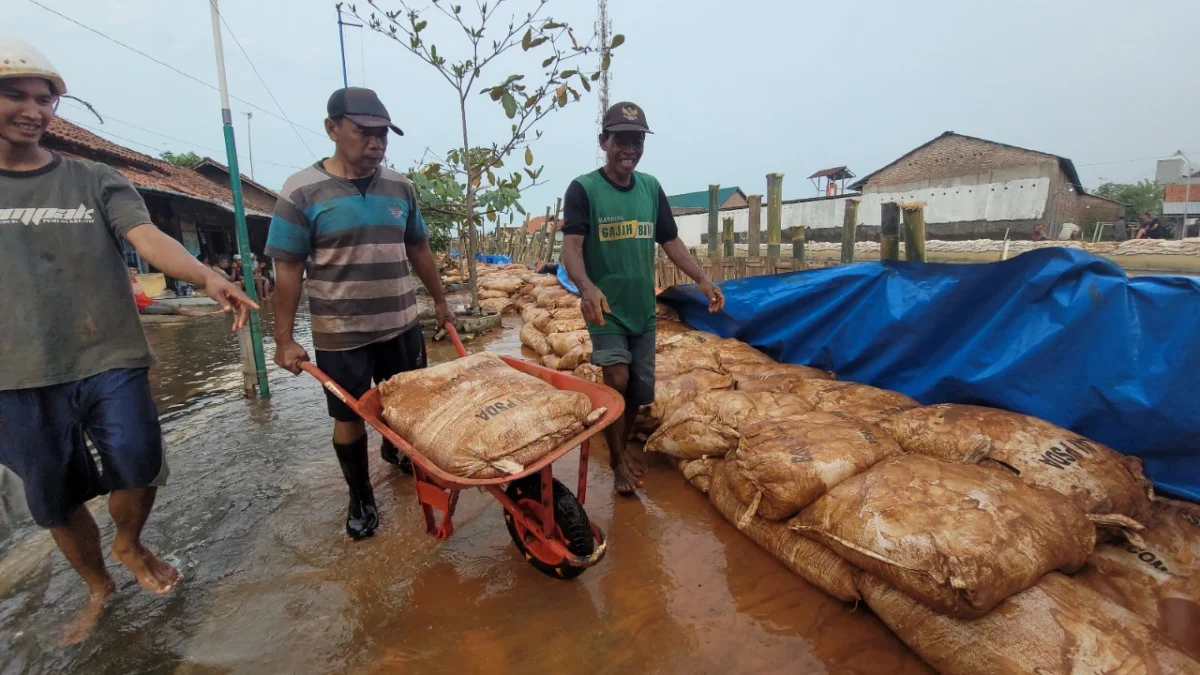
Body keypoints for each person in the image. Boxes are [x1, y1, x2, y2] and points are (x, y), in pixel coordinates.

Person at [0, 38, 257, 645]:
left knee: (139, 463)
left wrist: (207, 276)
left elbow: (146, 238)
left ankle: (129, 543)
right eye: (16, 95)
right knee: (54, 495)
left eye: (46, 98)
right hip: (15, 371)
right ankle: (97, 585)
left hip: (108, 353)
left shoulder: (93, 179)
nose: (34, 109)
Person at [266, 87, 452, 540]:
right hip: (341, 332)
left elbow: (418, 247)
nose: (376, 143)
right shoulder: (300, 192)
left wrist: (441, 300)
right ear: (332, 129)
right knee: (348, 417)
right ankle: (360, 496)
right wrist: (284, 340)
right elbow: (288, 271)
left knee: (408, 405)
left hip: (401, 323)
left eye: (383, 134)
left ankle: (397, 452)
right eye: (364, 132)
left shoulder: (400, 186)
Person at [560, 101, 724, 495]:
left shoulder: (650, 188)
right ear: (604, 141)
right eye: (622, 140)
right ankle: (617, 459)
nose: (630, 149)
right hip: (606, 308)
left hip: (642, 309)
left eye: (637, 140)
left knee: (637, 391)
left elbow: (671, 241)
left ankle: (618, 441)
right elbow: (571, 249)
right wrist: (588, 287)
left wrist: (702, 279)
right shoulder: (584, 189)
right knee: (616, 376)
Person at [129, 268, 217, 317]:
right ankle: (206, 314)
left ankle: (205, 314)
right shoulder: (125, 282)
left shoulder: (135, 280)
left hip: (150, 303)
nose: (132, 272)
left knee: (177, 308)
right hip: (145, 307)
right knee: (176, 310)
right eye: (130, 270)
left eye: (134, 270)